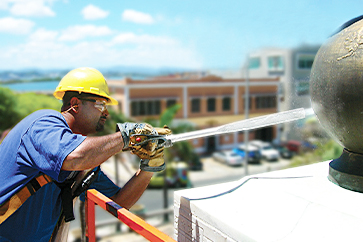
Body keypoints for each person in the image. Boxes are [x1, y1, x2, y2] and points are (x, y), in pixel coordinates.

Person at [0, 67, 170, 241]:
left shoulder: (85, 162)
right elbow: (74, 157)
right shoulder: (43, 123)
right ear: (75, 104)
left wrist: (150, 165)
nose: (106, 113)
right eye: (101, 104)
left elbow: (120, 201)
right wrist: (128, 136)